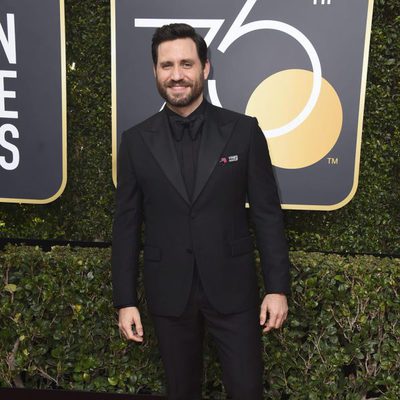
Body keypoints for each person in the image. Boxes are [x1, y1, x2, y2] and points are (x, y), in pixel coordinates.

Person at [112, 23, 291, 400]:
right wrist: (125, 299)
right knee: (181, 391)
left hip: (233, 289)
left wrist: (277, 288)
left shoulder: (243, 132)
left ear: (205, 68)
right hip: (168, 291)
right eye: (166, 65)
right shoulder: (135, 142)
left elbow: (267, 214)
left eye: (186, 64)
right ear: (155, 71)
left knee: (247, 391)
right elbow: (126, 225)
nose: (176, 75)